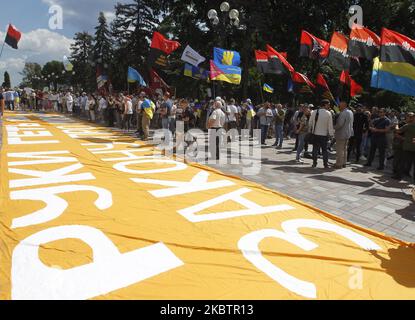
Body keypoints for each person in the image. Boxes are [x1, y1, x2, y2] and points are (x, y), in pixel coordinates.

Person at [308, 99, 335, 169]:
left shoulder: (314, 112)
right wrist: (331, 135)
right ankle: (325, 164)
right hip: (324, 135)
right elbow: (330, 126)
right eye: (328, 104)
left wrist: (310, 131)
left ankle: (314, 163)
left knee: (315, 149)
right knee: (324, 150)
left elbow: (310, 123)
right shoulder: (328, 113)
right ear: (325, 105)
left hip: (315, 134)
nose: (329, 106)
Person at [334, 101, 354, 169]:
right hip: (348, 133)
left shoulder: (343, 113)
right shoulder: (350, 112)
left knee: (339, 149)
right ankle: (344, 162)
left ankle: (339, 164)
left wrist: (333, 128)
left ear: (344, 105)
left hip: (341, 133)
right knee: (344, 149)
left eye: (340, 105)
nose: (339, 107)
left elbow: (340, 124)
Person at [396, 113, 415, 183]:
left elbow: (398, 131)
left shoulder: (408, 125)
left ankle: (398, 176)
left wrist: (396, 125)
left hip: (407, 147)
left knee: (403, 162)